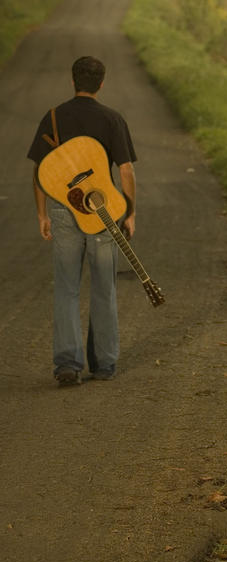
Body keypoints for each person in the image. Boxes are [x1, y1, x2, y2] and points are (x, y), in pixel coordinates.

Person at [27, 56, 137, 386]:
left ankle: (67, 364)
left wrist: (42, 214)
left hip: (63, 209)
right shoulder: (112, 119)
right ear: (101, 83)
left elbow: (40, 172)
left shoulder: (54, 117)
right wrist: (129, 212)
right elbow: (127, 170)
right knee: (104, 287)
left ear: (73, 81)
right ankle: (104, 364)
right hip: (103, 214)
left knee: (67, 288)